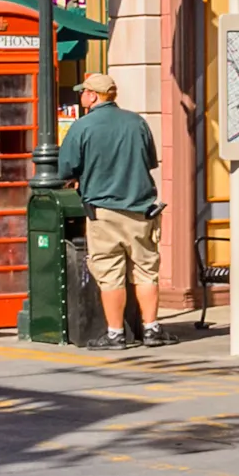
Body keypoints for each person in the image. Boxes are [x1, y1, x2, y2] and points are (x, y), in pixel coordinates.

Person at [49, 74, 160, 351]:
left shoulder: (82, 126)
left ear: (93, 96)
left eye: (84, 92)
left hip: (104, 210)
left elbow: (66, 169)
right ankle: (152, 329)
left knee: (110, 273)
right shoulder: (137, 122)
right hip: (141, 208)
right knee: (146, 271)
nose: (82, 97)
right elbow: (149, 161)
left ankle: (115, 334)